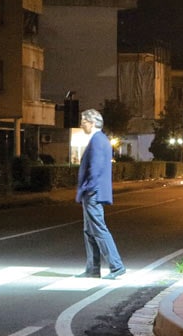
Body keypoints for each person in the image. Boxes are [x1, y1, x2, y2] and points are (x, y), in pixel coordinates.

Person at [75, 108, 126, 279]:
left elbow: (95, 168)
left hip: (93, 192)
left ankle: (116, 266)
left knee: (98, 229)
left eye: (83, 120)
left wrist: (88, 188)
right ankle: (92, 268)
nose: (81, 123)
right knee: (89, 230)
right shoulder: (101, 139)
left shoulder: (97, 140)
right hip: (93, 191)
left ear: (92, 122)